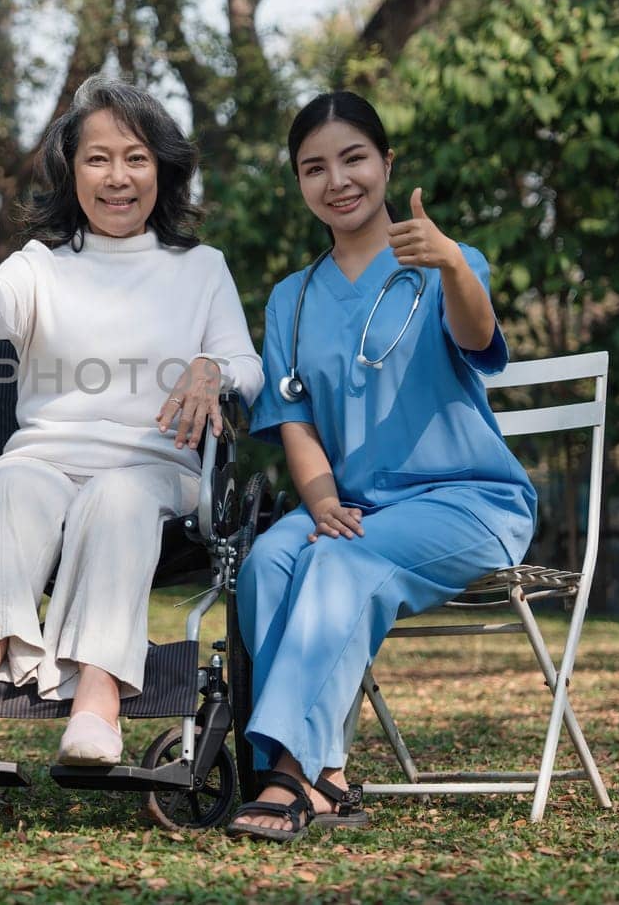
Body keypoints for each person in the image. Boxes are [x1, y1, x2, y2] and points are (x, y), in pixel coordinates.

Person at [0, 74, 265, 767]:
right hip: (45, 459)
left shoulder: (202, 268)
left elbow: (247, 366)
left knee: (116, 497)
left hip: (156, 469)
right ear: (71, 170)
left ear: (162, 170)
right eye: (98, 158)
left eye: (135, 158)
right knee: (3, 489)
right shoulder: (42, 265)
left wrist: (213, 368)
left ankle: (99, 701)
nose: (117, 177)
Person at [228, 91, 536, 841]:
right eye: (314, 167)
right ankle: (325, 771)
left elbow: (476, 333)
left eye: (354, 158)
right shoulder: (290, 300)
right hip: (357, 505)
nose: (337, 180)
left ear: (386, 162)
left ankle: (288, 776)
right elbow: (292, 415)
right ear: (298, 182)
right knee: (268, 559)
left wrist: (454, 265)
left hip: (467, 503)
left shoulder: (445, 262)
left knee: (339, 562)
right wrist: (321, 496)